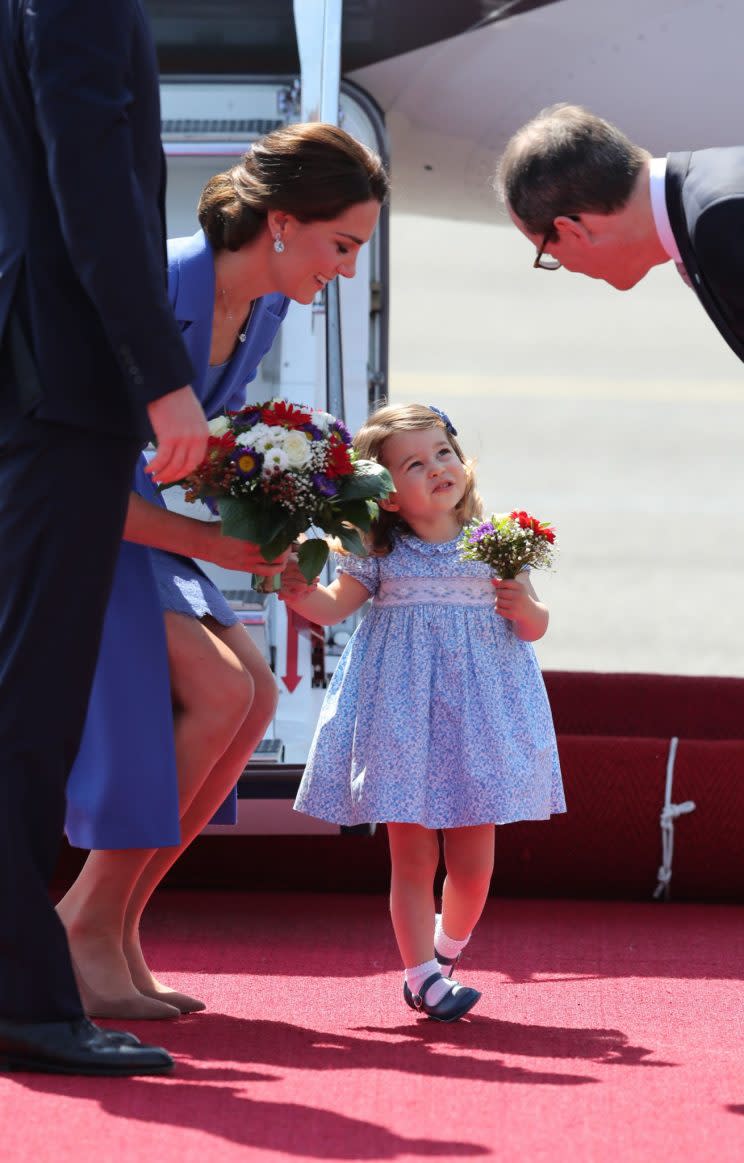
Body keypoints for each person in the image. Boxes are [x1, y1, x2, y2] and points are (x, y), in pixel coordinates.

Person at [56, 123, 391, 1020]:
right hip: (78, 518)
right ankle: (82, 920)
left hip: (145, 519)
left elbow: (202, 445)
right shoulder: (158, 284)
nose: (348, 270)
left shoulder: (266, 306)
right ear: (281, 222)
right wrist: (213, 542)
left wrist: (289, 494)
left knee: (250, 696)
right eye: (342, 246)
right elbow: (68, 466)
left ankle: (117, 922)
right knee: (214, 688)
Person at [0, 1, 210, 1075]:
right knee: (27, 704)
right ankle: (24, 999)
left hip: (27, 368)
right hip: (57, 384)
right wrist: (164, 380)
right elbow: (94, 180)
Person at [279, 403, 564, 1021]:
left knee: (474, 868)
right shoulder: (379, 552)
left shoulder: (497, 543)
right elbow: (330, 610)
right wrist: (298, 587)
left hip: (479, 719)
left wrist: (524, 609)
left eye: (443, 453)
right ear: (384, 497)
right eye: (414, 464)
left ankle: (443, 951)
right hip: (400, 715)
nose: (438, 467)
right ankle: (422, 977)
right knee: (412, 858)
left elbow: (536, 626)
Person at [498, 102, 744, 369]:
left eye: (548, 252)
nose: (564, 266)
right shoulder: (705, 202)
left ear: (571, 230)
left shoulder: (721, 221)